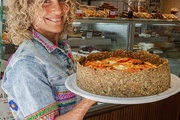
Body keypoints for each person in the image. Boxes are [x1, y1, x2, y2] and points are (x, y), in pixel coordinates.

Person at [1, 0, 96, 119]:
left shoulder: (60, 49)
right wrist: (90, 98)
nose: (58, 10)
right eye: (46, 2)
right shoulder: (28, 63)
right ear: (26, 9)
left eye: (61, 1)